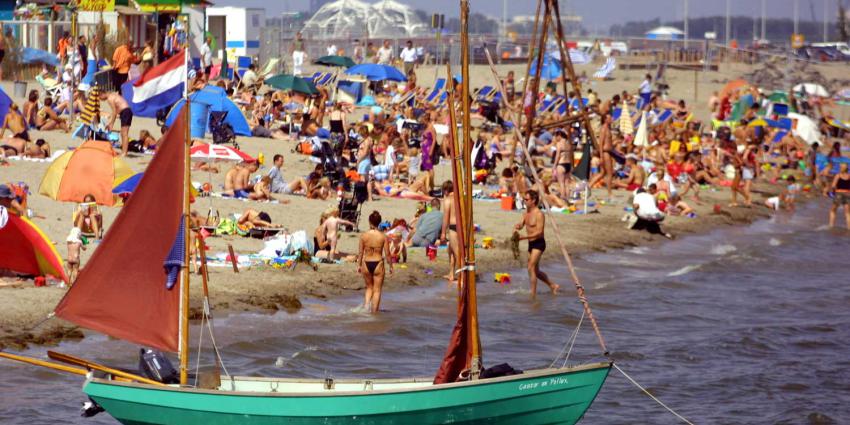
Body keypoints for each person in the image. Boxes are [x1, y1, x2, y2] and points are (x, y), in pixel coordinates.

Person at [514, 190, 560, 297]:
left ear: (533, 200)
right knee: (536, 271)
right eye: (524, 199)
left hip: (539, 244)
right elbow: (521, 224)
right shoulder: (526, 213)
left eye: (526, 199)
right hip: (531, 244)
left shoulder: (539, 214)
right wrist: (518, 226)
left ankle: (533, 295)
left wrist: (524, 237)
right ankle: (553, 285)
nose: (524, 201)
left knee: (530, 267)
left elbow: (539, 233)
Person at [357, 211, 392, 313]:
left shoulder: (363, 236)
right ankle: (374, 313)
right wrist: (391, 266)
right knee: (377, 290)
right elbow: (388, 253)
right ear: (380, 222)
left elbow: (360, 253)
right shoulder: (383, 236)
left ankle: (366, 309)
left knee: (369, 288)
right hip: (378, 263)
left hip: (366, 263)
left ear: (369, 222)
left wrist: (359, 265)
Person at [439, 180, 459, 283]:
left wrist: (443, 233)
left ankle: (464, 277)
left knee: (457, 253)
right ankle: (451, 273)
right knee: (450, 249)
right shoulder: (460, 198)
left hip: (453, 227)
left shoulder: (448, 200)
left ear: (446, 190)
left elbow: (445, 218)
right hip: (462, 227)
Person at [100, 91, 132, 156]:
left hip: (125, 111)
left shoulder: (110, 98)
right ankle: (124, 151)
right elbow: (118, 109)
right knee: (123, 133)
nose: (101, 100)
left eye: (100, 97)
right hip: (126, 111)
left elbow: (114, 112)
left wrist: (111, 124)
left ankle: (124, 152)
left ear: (102, 94)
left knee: (124, 133)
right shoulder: (113, 94)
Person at [66, 214, 86, 285]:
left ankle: (68, 282)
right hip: (76, 258)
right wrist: (83, 242)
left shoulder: (68, 241)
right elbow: (84, 249)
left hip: (69, 258)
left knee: (69, 270)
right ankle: (73, 282)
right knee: (75, 270)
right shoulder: (79, 242)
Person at [829, 163, 850, 228]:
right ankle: (849, 227)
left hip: (839, 194)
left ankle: (831, 226)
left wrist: (831, 192)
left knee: (833, 210)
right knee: (847, 213)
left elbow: (833, 186)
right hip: (848, 194)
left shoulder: (838, 175)